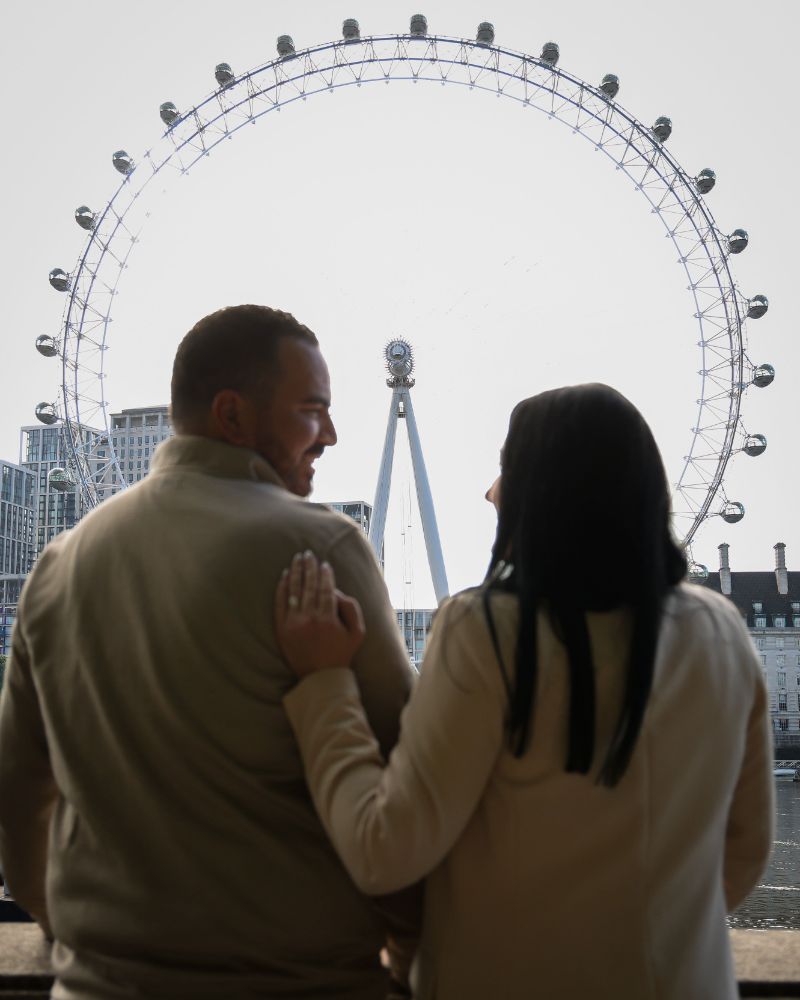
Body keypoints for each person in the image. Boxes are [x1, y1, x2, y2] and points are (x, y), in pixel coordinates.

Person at [276, 383, 774, 1000]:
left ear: (544, 493)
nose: (492, 492)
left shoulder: (486, 631)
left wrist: (325, 684)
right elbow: (746, 850)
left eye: (508, 469)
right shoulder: (723, 630)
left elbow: (386, 849)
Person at [0, 305, 419, 1000]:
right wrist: (407, 950)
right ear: (232, 415)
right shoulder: (324, 548)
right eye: (312, 411)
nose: (333, 435)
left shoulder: (59, 564)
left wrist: (81, 933)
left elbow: (18, 805)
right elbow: (405, 792)